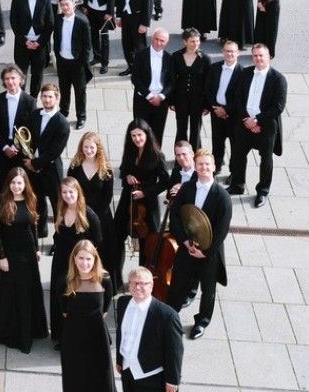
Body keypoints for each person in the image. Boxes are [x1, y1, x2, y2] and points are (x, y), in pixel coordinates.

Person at [59, 240, 123, 392]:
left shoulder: (104, 279)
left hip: (98, 336)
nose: (84, 263)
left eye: (88, 259)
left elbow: (105, 309)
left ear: (94, 259)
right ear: (74, 259)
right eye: (80, 258)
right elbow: (63, 311)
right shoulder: (66, 280)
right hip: (74, 337)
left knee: (105, 380)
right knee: (79, 380)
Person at [167, 148, 232, 338]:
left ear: (213, 167)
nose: (203, 167)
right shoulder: (187, 188)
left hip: (209, 253)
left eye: (207, 164)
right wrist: (185, 242)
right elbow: (175, 215)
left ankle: (202, 322)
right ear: (195, 166)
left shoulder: (222, 197)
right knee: (177, 283)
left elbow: (222, 230)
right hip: (187, 246)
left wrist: (206, 252)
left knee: (208, 290)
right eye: (200, 164)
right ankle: (170, 316)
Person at [0, 168, 48, 353]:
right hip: (10, 254)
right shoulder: (1, 201)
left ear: (25, 184)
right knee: (10, 292)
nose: (16, 186)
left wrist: (37, 248)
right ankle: (11, 331)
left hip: (28, 253)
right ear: (9, 183)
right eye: (13, 182)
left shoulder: (31, 200)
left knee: (27, 291)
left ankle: (29, 329)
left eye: (20, 183)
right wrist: (2, 257)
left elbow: (34, 225)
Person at [110, 121, 167, 289]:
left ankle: (141, 283)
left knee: (145, 245)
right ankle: (116, 280)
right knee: (117, 236)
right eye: (133, 136)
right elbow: (123, 169)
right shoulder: (130, 151)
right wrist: (127, 176)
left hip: (147, 205)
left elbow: (164, 182)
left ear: (146, 134)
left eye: (139, 135)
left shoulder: (157, 155)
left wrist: (145, 192)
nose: (137, 139)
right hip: (128, 199)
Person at [229, 43, 286, 207]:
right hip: (244, 122)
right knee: (238, 154)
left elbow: (278, 107)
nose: (258, 58)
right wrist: (247, 119)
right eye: (255, 55)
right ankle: (237, 185)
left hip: (266, 126)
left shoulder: (278, 79)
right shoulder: (246, 73)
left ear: (268, 57)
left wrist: (257, 120)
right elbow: (238, 97)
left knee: (266, 159)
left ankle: (262, 191)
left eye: (261, 55)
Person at [49, 177, 102, 347]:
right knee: (59, 296)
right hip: (60, 260)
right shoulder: (61, 210)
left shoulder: (89, 214)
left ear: (78, 192)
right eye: (64, 192)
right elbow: (58, 235)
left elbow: (98, 240)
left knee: (75, 299)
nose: (68, 195)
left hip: (79, 265)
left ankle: (74, 337)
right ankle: (61, 335)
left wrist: (85, 262)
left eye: (71, 192)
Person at [22, 84, 70, 240]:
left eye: (50, 96)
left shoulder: (62, 123)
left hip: (50, 170)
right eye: (44, 96)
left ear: (57, 98)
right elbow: (26, 137)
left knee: (58, 206)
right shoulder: (35, 115)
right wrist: (29, 160)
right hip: (32, 167)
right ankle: (40, 231)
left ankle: (59, 238)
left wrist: (35, 164)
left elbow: (55, 151)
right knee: (36, 201)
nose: (47, 100)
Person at [68, 131, 115, 264]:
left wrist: (93, 215)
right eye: (85, 147)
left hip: (101, 215)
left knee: (102, 252)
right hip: (79, 213)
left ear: (98, 148)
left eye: (92, 147)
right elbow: (70, 190)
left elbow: (107, 196)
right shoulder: (75, 166)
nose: (88, 150)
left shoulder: (106, 169)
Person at [9, 0, 53, 97]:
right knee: (20, 74)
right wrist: (24, 41)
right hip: (22, 44)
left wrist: (39, 42)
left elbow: (50, 24)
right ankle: (21, 98)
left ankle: (33, 99)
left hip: (40, 45)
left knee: (37, 75)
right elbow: (14, 21)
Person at [53, 0, 93, 128]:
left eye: (67, 4)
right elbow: (57, 38)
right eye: (62, 5)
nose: (65, 7)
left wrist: (82, 63)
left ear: (74, 5)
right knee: (64, 88)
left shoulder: (82, 21)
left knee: (80, 91)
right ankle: (64, 111)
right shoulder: (58, 19)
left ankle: (81, 116)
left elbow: (87, 46)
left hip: (77, 63)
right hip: (63, 61)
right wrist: (58, 55)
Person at [0, 66, 35, 191]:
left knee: (21, 185)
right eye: (7, 78)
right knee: (3, 184)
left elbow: (31, 129)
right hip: (2, 150)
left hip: (21, 151)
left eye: (13, 78)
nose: (10, 81)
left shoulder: (30, 101)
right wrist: (5, 147)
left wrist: (17, 147)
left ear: (20, 79)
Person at [205, 40, 244, 176]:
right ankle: (216, 166)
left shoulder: (243, 73)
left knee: (235, 145)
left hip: (233, 115)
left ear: (237, 53)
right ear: (222, 52)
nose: (229, 54)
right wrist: (215, 108)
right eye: (226, 51)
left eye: (232, 51)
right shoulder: (214, 67)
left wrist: (226, 110)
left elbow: (241, 98)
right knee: (217, 142)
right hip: (216, 112)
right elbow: (208, 89)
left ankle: (234, 172)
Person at [131, 28, 175, 146]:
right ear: (152, 38)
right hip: (142, 101)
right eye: (156, 39)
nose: (159, 43)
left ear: (167, 42)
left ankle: (155, 161)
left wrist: (160, 97)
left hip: (160, 102)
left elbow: (172, 82)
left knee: (157, 135)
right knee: (139, 134)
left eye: (162, 41)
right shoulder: (140, 55)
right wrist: (149, 96)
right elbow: (135, 78)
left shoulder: (170, 59)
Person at [115, 0, 155, 75]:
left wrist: (144, 23)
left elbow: (148, 5)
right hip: (126, 16)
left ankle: (142, 70)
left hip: (138, 18)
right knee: (127, 44)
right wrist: (119, 16)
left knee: (140, 46)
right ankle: (131, 67)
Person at [171, 28, 210, 149]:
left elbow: (208, 83)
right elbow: (172, 80)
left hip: (197, 100)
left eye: (197, 41)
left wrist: (207, 104)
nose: (196, 44)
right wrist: (171, 101)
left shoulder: (205, 59)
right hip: (180, 99)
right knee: (181, 128)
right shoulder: (176, 56)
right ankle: (180, 155)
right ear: (185, 42)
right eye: (192, 41)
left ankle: (195, 155)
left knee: (195, 129)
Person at [80, 0, 116, 75]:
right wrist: (84, 6)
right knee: (93, 35)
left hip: (104, 12)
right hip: (91, 9)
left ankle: (105, 63)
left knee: (104, 38)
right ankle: (97, 56)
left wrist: (109, 13)